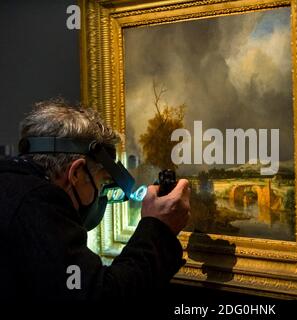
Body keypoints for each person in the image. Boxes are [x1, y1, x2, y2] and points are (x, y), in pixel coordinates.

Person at [0, 99, 190, 300]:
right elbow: (100, 296)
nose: (100, 195)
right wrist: (158, 229)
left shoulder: (12, 191)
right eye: (100, 183)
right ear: (76, 173)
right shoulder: (37, 204)